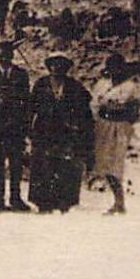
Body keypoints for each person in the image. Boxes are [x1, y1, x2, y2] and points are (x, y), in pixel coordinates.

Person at [29, 51, 95, 213]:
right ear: (49, 67)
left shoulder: (74, 86)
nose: (57, 68)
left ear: (66, 68)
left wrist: (78, 128)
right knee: (43, 166)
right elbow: (30, 108)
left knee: (65, 166)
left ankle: (64, 203)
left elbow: (85, 108)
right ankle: (43, 203)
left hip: (65, 132)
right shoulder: (41, 84)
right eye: (54, 65)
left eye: (61, 65)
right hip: (44, 130)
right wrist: (29, 130)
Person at [91, 53, 140, 215]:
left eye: (118, 67)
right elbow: (95, 105)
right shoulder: (103, 85)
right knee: (104, 162)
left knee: (116, 162)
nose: (114, 71)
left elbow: (139, 108)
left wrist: (127, 116)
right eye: (111, 68)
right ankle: (117, 201)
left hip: (121, 126)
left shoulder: (130, 87)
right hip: (103, 125)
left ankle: (120, 202)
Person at [0, 40, 32, 212]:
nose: (4, 59)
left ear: (12, 56)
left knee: (16, 164)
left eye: (7, 55)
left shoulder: (21, 75)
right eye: (1, 56)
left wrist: (24, 126)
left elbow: (26, 102)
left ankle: (16, 199)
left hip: (16, 128)